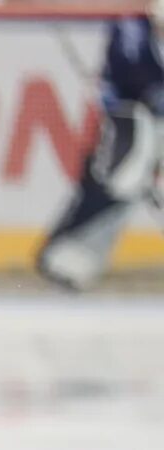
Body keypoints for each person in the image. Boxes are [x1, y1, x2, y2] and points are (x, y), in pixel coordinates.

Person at [38, 3, 164, 290]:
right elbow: (118, 81)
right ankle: (73, 255)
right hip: (140, 119)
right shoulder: (131, 28)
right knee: (122, 175)